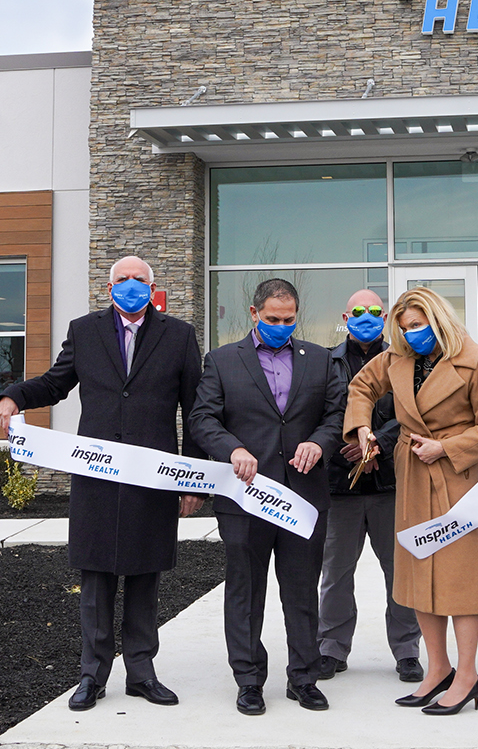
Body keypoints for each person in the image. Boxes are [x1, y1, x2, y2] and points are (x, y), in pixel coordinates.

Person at [0, 256, 202, 712]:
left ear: (153, 287)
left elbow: (197, 411)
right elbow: (55, 383)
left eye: (139, 280)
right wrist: (14, 395)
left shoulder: (179, 336)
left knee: (146, 576)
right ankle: (92, 675)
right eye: (122, 280)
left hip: (155, 478)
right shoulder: (85, 331)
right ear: (109, 289)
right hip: (98, 476)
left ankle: (142, 674)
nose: (131, 286)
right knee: (96, 579)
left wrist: (194, 479)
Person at [343, 287, 478, 716]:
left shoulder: (474, 362)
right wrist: (361, 426)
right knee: (419, 576)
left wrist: (447, 447)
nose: (410, 333)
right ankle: (438, 670)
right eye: (404, 327)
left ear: (437, 319)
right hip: (412, 476)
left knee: (460, 579)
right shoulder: (397, 360)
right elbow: (362, 386)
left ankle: (468, 675)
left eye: (417, 325)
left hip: (454, 477)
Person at [189, 278, 346, 716]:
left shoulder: (318, 359)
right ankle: (249, 680)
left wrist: (320, 442)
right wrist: (231, 448)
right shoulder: (221, 361)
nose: (281, 325)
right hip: (245, 498)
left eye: (289, 319)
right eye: (273, 319)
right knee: (245, 591)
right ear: (254, 313)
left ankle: (304, 678)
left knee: (300, 591)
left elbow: (336, 414)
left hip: (303, 497)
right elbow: (203, 419)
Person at [315, 289, 424, 684]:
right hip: (340, 485)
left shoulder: (406, 361)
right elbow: (324, 410)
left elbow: (416, 412)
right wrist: (346, 443)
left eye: (375, 311)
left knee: (400, 572)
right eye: (358, 311)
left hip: (391, 483)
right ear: (345, 316)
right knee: (336, 572)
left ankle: (408, 650)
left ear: (386, 317)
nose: (366, 316)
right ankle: (331, 648)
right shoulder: (327, 362)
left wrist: (378, 441)